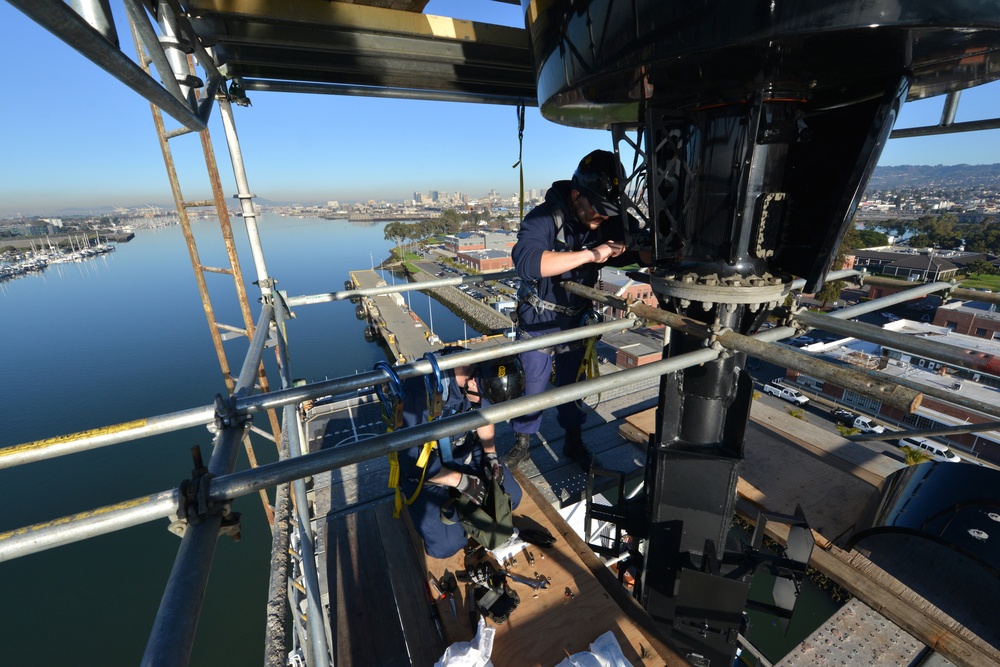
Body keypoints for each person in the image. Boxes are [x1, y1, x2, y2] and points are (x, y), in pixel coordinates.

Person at [504, 149, 634, 470]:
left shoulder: (601, 219)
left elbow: (638, 245)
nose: (601, 220)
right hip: (539, 321)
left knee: (571, 386)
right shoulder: (545, 218)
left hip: (576, 320)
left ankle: (573, 441)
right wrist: (592, 254)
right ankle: (523, 442)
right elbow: (527, 261)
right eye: (598, 212)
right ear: (576, 195)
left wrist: (638, 249)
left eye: (607, 215)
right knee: (531, 386)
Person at [396, 353, 526, 559]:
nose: (486, 405)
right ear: (473, 383)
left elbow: (484, 418)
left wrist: (491, 455)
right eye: (486, 400)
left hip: (463, 449)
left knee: (512, 497)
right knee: (447, 546)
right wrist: (462, 482)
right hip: (427, 466)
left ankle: (467, 510)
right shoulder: (419, 389)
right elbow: (414, 462)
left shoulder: (481, 368)